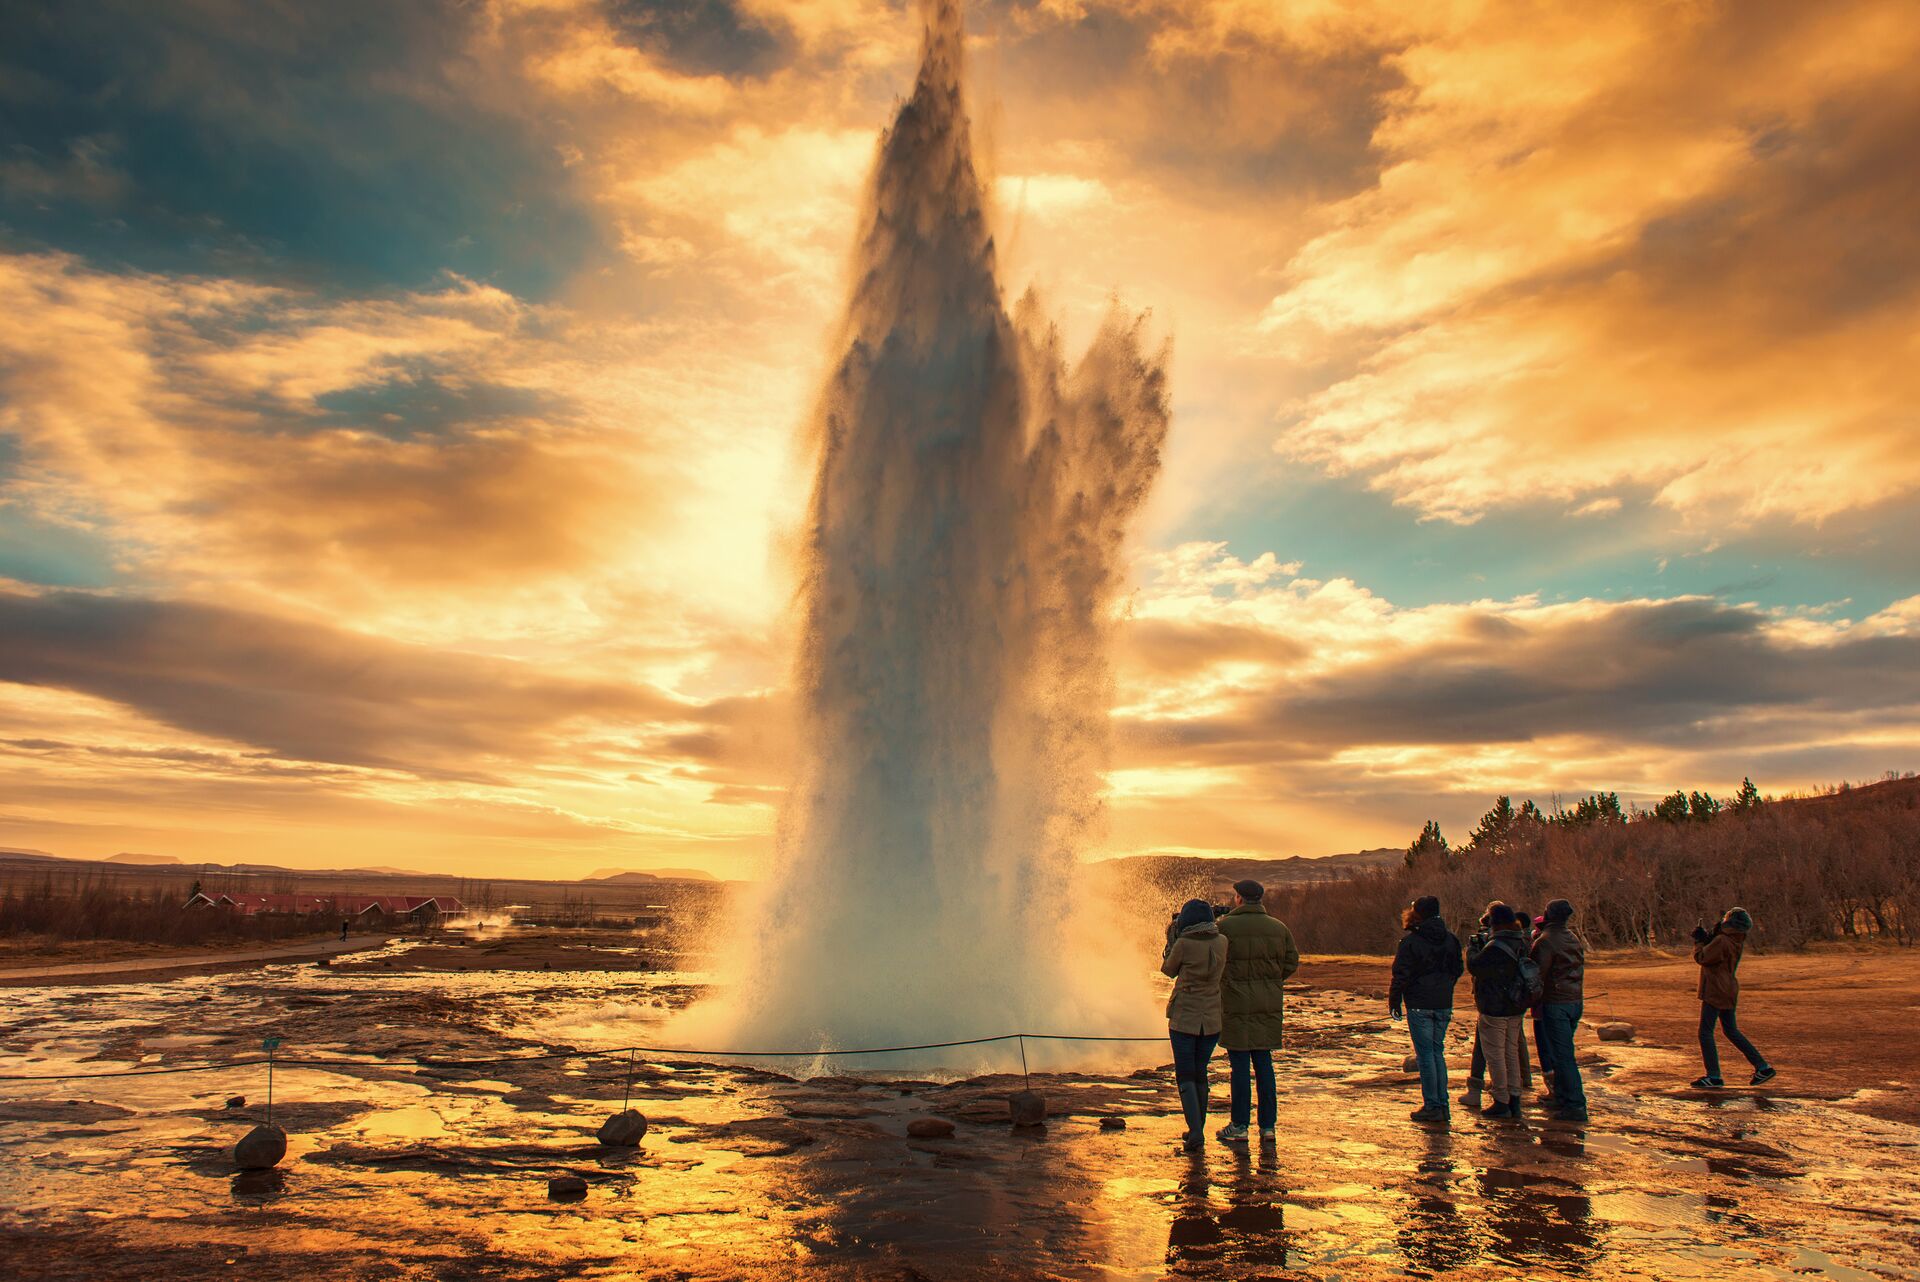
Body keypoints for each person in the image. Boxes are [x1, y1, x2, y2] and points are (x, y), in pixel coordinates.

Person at [1215, 879, 1300, 1144]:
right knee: (1264, 1065)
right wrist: (1271, 982)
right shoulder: (1279, 928)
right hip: (1267, 1005)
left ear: (1239, 898)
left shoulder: (1225, 927)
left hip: (1235, 1004)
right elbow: (1291, 962)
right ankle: (1268, 1127)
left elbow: (1216, 960)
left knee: (1239, 1066)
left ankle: (1240, 1125)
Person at [1161, 899, 1230, 1151]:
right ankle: (1197, 1128)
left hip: (1184, 1019)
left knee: (1185, 1074)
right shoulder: (1222, 942)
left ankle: (1196, 1132)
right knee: (1201, 1072)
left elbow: (1168, 970)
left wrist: (1171, 941)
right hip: (1211, 1020)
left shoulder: (1184, 944)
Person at [1388, 895, 1463, 1125]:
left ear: (1418, 913)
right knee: (1436, 1052)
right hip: (1442, 1001)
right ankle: (1442, 1103)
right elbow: (1458, 969)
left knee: (1426, 1056)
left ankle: (1433, 1106)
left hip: (1420, 1004)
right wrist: (1444, 986)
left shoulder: (1411, 942)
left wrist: (1395, 1001)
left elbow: (1401, 974)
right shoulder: (1450, 939)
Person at [1691, 907, 1777, 1089]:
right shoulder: (1735, 940)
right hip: (1728, 988)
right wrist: (1708, 939)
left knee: (1705, 1032)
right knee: (1731, 1030)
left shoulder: (1722, 940)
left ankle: (1713, 1076)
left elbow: (1702, 957)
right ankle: (1762, 1067)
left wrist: (1699, 942)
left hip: (1715, 989)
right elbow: (1717, 953)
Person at [1467, 903, 1530, 1119]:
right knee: (1511, 1052)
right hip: (1516, 1004)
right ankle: (1515, 1098)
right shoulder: (1521, 940)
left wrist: (1473, 949)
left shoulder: (1496, 945)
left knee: (1495, 1055)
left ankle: (1501, 1099)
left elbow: (1476, 967)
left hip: (1495, 1006)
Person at [1532, 899, 1588, 1122]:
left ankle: (1575, 1103)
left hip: (1556, 1001)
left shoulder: (1546, 941)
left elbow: (1537, 974)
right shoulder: (1572, 937)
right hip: (1574, 1000)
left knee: (1563, 1056)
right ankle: (1563, 1097)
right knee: (1561, 1053)